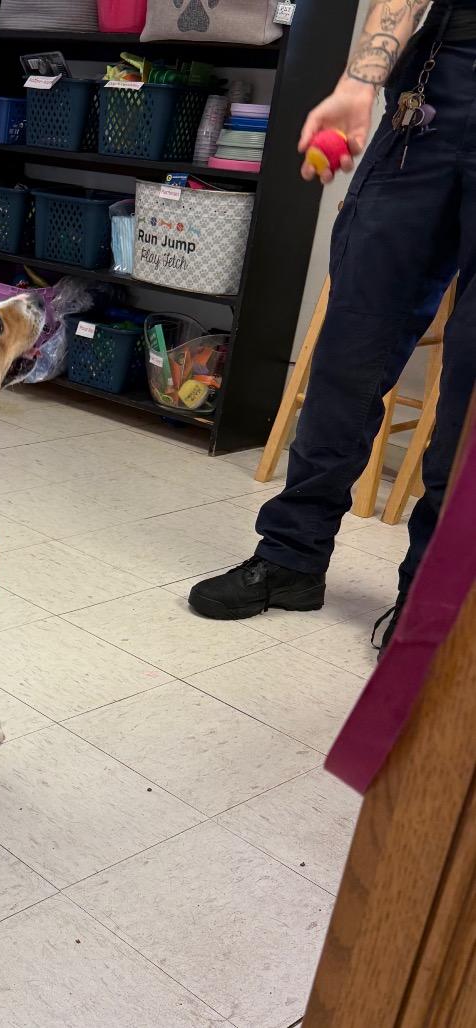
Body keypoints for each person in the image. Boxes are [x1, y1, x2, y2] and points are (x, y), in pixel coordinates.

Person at [190, 0, 476, 653]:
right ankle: (291, 558)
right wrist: (357, 83)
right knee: (350, 349)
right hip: (430, 99)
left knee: (470, 392)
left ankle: (431, 597)